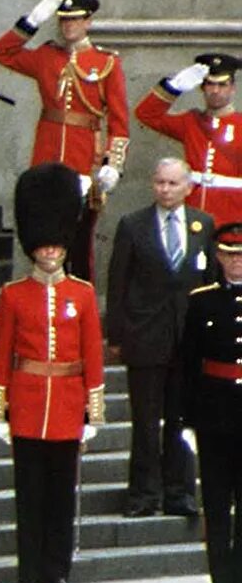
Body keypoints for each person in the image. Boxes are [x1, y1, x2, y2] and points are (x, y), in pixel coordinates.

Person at [0, 164, 105, 583]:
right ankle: (29, 571)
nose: (51, 253)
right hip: (26, 402)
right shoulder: (13, 295)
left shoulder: (82, 294)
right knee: (30, 494)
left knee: (61, 495)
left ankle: (56, 571)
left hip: (66, 402)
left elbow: (92, 354)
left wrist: (91, 410)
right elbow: (4, 354)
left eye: (57, 246)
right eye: (44, 247)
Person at [0, 0, 129, 280]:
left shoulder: (106, 63)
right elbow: (1, 52)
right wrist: (32, 21)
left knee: (79, 242)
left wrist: (113, 164)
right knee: (41, 236)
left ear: (88, 22)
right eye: (63, 20)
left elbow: (119, 120)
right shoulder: (46, 56)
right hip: (46, 154)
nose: (69, 26)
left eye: (76, 20)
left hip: (83, 158)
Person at [104, 157, 211, 518]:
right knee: (146, 421)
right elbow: (117, 284)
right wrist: (116, 334)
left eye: (172, 183)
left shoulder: (203, 225)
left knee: (181, 420)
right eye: (160, 182)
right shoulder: (133, 225)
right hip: (145, 337)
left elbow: (209, 284)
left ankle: (179, 492)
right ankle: (143, 494)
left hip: (188, 342)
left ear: (188, 186)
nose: (165, 189)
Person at [176, 221, 242, 583]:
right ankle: (221, 579)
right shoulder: (202, 301)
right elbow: (189, 363)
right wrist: (186, 419)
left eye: (241, 257)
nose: (236, 265)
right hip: (214, 412)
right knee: (216, 501)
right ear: (218, 258)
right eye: (230, 257)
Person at [136, 52, 242, 228]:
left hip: (232, 210)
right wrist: (173, 87)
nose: (215, 91)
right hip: (193, 206)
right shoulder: (191, 121)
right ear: (202, 87)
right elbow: (146, 114)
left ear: (233, 88)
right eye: (210, 84)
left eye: (222, 85)